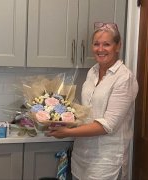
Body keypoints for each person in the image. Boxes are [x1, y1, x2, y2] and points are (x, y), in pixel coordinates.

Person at [47, 22, 139, 180]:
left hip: (105, 161)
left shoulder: (124, 78)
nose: (100, 49)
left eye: (107, 44)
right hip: (82, 155)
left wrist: (68, 132)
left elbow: (108, 125)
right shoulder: (93, 72)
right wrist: (63, 120)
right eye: (96, 44)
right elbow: (87, 113)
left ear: (118, 46)